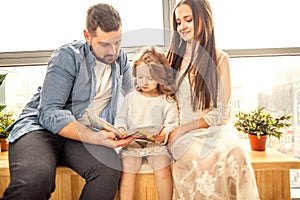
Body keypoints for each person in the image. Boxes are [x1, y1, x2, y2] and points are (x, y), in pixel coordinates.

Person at [1, 3, 136, 200]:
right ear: (87, 36)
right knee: (35, 179)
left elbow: (131, 100)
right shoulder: (67, 56)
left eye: (118, 42)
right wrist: (97, 138)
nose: (113, 51)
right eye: (105, 44)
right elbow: (49, 112)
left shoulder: (121, 61)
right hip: (40, 130)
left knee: (108, 168)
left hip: (81, 137)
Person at [166, 0, 260, 199]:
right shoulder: (172, 60)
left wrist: (187, 127)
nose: (181, 26)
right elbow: (161, 101)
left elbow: (222, 113)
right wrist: (175, 129)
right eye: (178, 22)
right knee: (206, 161)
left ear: (204, 19)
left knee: (236, 153)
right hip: (181, 136)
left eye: (188, 20)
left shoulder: (220, 59)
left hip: (215, 130)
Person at [115, 47, 178, 200]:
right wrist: (121, 129)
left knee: (163, 169)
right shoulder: (131, 97)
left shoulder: (167, 100)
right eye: (140, 77)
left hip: (155, 146)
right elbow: (121, 118)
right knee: (128, 171)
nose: (144, 82)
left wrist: (164, 133)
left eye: (150, 78)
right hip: (132, 145)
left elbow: (172, 123)